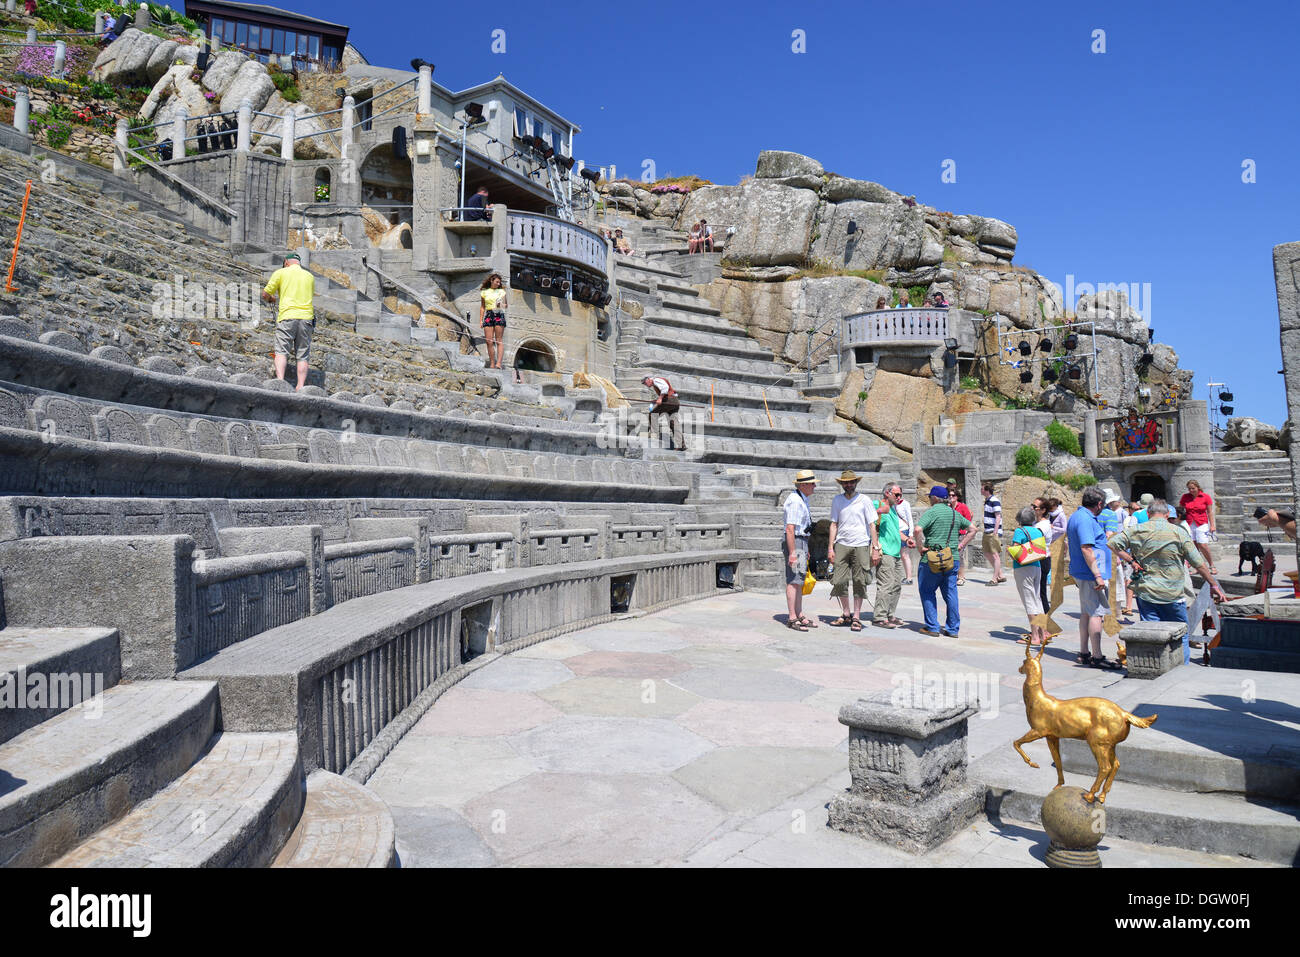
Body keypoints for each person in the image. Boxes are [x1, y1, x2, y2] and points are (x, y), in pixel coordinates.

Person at [1111, 499, 1228, 664]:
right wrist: (1213, 584)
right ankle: (1182, 668)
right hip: (1172, 592)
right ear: (1167, 514)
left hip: (1146, 591)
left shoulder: (1136, 530)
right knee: (1180, 634)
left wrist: (1131, 561)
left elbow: (1113, 543)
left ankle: (1155, 667)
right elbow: (1199, 564)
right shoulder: (1178, 532)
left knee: (1152, 635)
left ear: (1148, 513)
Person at [1067, 486, 1118, 669]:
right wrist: (1098, 575)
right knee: (1096, 613)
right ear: (1099, 504)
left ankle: (1084, 652)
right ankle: (1097, 656)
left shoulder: (1078, 516)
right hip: (1090, 574)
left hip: (1084, 572)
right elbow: (1087, 548)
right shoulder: (1085, 519)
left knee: (1087, 613)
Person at [914, 486, 975, 637]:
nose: (929, 499)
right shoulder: (954, 513)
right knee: (951, 593)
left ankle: (933, 627)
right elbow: (973, 529)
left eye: (930, 497)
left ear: (934, 498)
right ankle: (952, 629)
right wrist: (961, 544)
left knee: (927, 591)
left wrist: (920, 547)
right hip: (952, 558)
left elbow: (917, 530)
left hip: (932, 558)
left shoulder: (932, 512)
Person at [827, 470, 877, 631]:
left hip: (861, 543)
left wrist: (875, 547)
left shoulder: (864, 500)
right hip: (842, 542)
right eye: (845, 482)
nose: (848, 485)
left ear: (856, 483)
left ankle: (856, 616)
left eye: (851, 482)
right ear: (841, 484)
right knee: (839, 580)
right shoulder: (837, 500)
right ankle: (845, 612)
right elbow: (834, 523)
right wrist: (830, 547)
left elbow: (872, 525)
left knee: (859, 580)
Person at [261, 252, 315, 391]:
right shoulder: (309, 277)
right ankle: (301, 386)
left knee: (281, 350)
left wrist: (271, 299)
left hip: (287, 315)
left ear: (286, 262)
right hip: (306, 318)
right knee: (303, 354)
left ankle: (280, 381)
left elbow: (265, 294)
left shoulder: (281, 273)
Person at [783, 470, 818, 631]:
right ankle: (792, 617)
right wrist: (792, 552)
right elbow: (790, 529)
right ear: (803, 485)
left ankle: (799, 614)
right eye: (812, 484)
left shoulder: (802, 499)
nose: (814, 486)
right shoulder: (795, 501)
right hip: (796, 541)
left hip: (801, 541)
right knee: (794, 579)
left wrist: (806, 548)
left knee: (800, 580)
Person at [1010, 506, 1050, 645]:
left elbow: (1015, 549)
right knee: (1037, 599)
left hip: (1023, 567)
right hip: (1037, 566)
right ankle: (1043, 633)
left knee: (1029, 601)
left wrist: (1010, 552)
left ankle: (1034, 637)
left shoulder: (1019, 531)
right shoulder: (1038, 531)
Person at [872, 483, 909, 628]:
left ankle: (889, 614)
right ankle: (879, 617)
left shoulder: (893, 510)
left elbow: (895, 531)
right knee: (885, 585)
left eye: (900, 494)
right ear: (887, 493)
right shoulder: (878, 503)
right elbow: (865, 517)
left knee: (896, 585)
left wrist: (907, 539)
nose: (900, 497)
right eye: (897, 494)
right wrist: (880, 510)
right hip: (885, 551)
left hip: (896, 552)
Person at [1098, 490, 1131, 620]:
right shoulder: (1110, 514)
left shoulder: (1093, 513)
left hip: (1095, 552)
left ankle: (1099, 612)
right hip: (1108, 552)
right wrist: (1117, 555)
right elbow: (1110, 536)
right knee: (1115, 583)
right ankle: (1114, 613)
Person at [1179, 480, 1218, 574]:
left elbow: (1210, 512)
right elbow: (1180, 509)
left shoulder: (1205, 497)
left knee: (1203, 544)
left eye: (1193, 488)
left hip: (1201, 522)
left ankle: (1211, 565)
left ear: (1197, 487)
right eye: (1189, 489)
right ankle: (1198, 566)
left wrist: (1212, 525)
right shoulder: (1185, 497)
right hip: (1189, 523)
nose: (1191, 490)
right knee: (1193, 546)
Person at [642, 375, 684, 451]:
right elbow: (666, 392)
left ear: (648, 379)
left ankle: (654, 436)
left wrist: (660, 398)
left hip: (669, 401)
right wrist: (657, 399)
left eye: (645, 383)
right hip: (675, 401)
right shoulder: (656, 382)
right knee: (673, 423)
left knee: (653, 414)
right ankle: (681, 445)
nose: (646, 385)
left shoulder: (655, 380)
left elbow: (665, 388)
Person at [478, 273, 507, 371]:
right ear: (491, 280)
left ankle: (498, 363)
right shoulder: (484, 292)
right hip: (489, 314)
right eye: (497, 282)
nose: (498, 284)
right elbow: (482, 307)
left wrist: (501, 305)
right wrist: (481, 320)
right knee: (488, 341)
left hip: (499, 313)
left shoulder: (501, 292)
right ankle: (492, 363)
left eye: (499, 282)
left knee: (499, 340)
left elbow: (506, 305)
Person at [1032, 497, 1054, 616]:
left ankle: (1046, 625)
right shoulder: (1036, 523)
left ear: (1043, 510)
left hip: (1042, 560)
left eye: (1035, 507)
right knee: (1036, 593)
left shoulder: (1043, 525)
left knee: (1041, 593)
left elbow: (1035, 542)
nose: (1032, 509)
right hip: (1038, 559)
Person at [981, 481, 1006, 585]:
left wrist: (995, 531)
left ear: (986, 490)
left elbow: (998, 516)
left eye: (982, 488)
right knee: (987, 553)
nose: (980, 490)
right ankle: (1000, 574)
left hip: (992, 531)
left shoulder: (994, 500)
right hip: (987, 531)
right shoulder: (987, 500)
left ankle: (994, 579)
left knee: (995, 555)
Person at [952, 488, 973, 585]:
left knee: (959, 555)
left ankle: (961, 577)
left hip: (961, 534)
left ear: (957, 497)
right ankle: (956, 575)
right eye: (950, 495)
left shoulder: (962, 506)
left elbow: (968, 520)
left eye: (953, 495)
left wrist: (964, 531)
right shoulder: (948, 507)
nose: (951, 497)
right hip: (951, 535)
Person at [896, 486, 916, 585]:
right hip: (895, 531)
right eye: (896, 495)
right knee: (898, 555)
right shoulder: (892, 504)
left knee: (905, 555)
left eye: (899, 495)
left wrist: (911, 533)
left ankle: (909, 578)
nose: (898, 497)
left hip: (904, 531)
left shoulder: (905, 504)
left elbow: (910, 519)